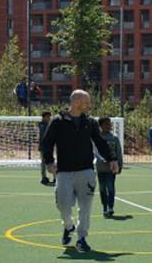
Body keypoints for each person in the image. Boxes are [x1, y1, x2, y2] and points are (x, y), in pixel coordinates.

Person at [40, 90, 118, 253]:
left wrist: (112, 159)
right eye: (86, 102)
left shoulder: (90, 122)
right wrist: (49, 162)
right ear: (76, 102)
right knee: (63, 205)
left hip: (86, 171)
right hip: (64, 172)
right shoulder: (57, 121)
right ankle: (68, 226)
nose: (88, 105)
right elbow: (46, 144)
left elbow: (100, 142)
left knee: (85, 207)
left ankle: (82, 238)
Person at [94, 117, 123, 218]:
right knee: (102, 188)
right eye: (106, 124)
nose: (108, 126)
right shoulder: (97, 138)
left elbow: (118, 152)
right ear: (100, 126)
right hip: (101, 168)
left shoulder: (114, 138)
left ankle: (111, 207)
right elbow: (94, 152)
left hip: (112, 168)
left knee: (110, 187)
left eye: (109, 124)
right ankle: (104, 207)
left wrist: (120, 165)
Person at [38, 111, 53, 186]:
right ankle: (44, 177)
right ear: (44, 117)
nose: (49, 118)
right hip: (44, 147)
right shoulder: (43, 125)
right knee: (45, 163)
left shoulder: (47, 125)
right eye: (48, 117)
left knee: (48, 162)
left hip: (48, 147)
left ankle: (52, 178)